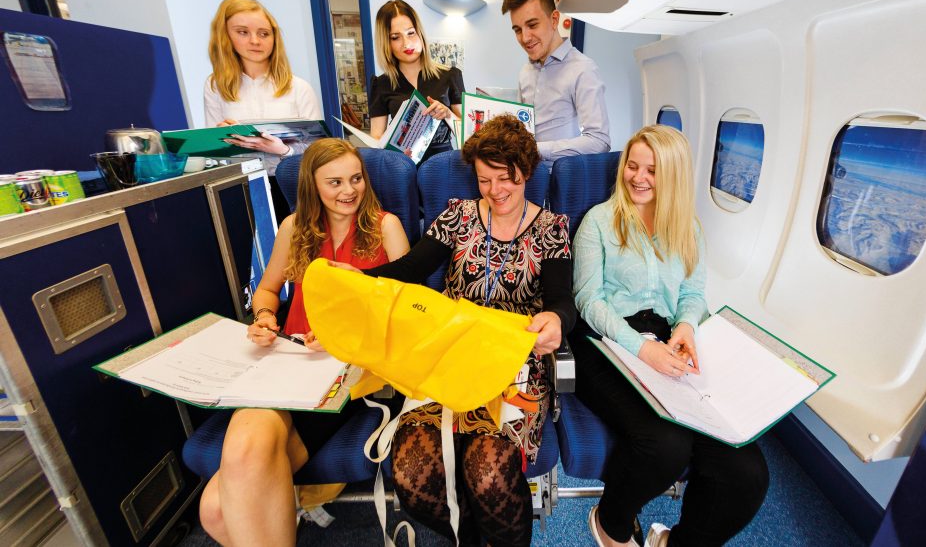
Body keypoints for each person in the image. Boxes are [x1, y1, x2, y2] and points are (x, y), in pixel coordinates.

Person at [336, 115, 573, 547]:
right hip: (448, 355)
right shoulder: (458, 216)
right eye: (485, 180)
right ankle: (474, 538)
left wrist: (557, 320)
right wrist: (355, 279)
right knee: (411, 476)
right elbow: (408, 271)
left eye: (507, 179)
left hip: (512, 366)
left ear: (527, 172)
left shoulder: (551, 230)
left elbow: (561, 302)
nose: (496, 191)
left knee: (488, 473)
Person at [197, 138, 410, 547]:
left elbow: (405, 314)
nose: (349, 191)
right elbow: (267, 291)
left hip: (348, 371)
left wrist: (341, 337)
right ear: (312, 186)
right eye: (334, 182)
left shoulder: (386, 227)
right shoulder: (295, 227)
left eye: (356, 179)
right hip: (290, 362)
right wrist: (264, 318)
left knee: (218, 508)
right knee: (214, 509)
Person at [571, 126, 768, 547]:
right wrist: (644, 350)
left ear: (674, 176)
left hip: (667, 340)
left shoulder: (689, 229)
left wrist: (684, 327)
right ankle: (611, 522)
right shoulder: (599, 222)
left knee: (746, 472)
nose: (637, 177)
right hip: (606, 341)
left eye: (653, 170)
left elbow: (694, 294)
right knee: (664, 445)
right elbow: (589, 301)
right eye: (633, 166)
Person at [204, 0, 323, 218]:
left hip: (293, 184)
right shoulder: (215, 87)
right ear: (225, 36)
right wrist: (222, 138)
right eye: (243, 32)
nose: (255, 41)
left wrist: (284, 150)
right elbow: (214, 156)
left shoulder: (299, 88)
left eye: (263, 33)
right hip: (244, 185)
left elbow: (317, 150)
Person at [501, 0, 610, 161]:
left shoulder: (583, 69)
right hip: (525, 177)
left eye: (533, 25)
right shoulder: (525, 72)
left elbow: (599, 141)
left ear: (554, 20)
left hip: (563, 181)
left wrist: (536, 150)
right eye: (517, 30)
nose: (525, 37)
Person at [369, 0, 464, 163]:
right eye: (395, 37)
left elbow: (468, 134)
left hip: (444, 166)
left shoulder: (450, 75)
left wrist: (447, 114)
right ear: (386, 42)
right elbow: (376, 140)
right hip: (402, 168)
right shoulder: (381, 84)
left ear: (419, 32)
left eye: (410, 33)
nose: (406, 43)